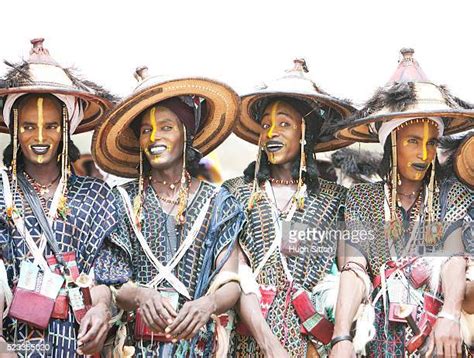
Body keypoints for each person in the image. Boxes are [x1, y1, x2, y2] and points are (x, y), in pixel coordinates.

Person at [92, 67, 244, 357]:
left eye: (166, 127)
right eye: (146, 130)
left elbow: (231, 281)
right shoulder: (121, 200)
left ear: (185, 133)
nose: (154, 138)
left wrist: (208, 304)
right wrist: (139, 295)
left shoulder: (220, 202)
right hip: (136, 349)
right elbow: (111, 282)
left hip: (197, 348)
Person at [332, 48, 474, 357]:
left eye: (431, 143)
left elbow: (455, 257)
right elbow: (354, 267)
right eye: (413, 141)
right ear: (391, 144)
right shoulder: (362, 197)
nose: (424, 154)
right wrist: (341, 335)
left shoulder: (453, 196)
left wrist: (449, 315)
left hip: (439, 338)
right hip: (379, 338)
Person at [224, 59, 354, 357]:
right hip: (249, 340)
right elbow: (235, 272)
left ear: (305, 134)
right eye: (266, 125)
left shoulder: (336, 199)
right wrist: (269, 344)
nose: (272, 133)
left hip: (312, 341)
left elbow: (350, 270)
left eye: (284, 124)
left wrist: (342, 337)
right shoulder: (236, 192)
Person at [0, 38, 119, 357]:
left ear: (66, 129)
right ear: (14, 130)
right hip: (13, 345)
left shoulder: (97, 195)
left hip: (79, 344)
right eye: (28, 126)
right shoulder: (1, 192)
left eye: (51, 125)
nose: (39, 138)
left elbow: (106, 270)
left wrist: (101, 308)